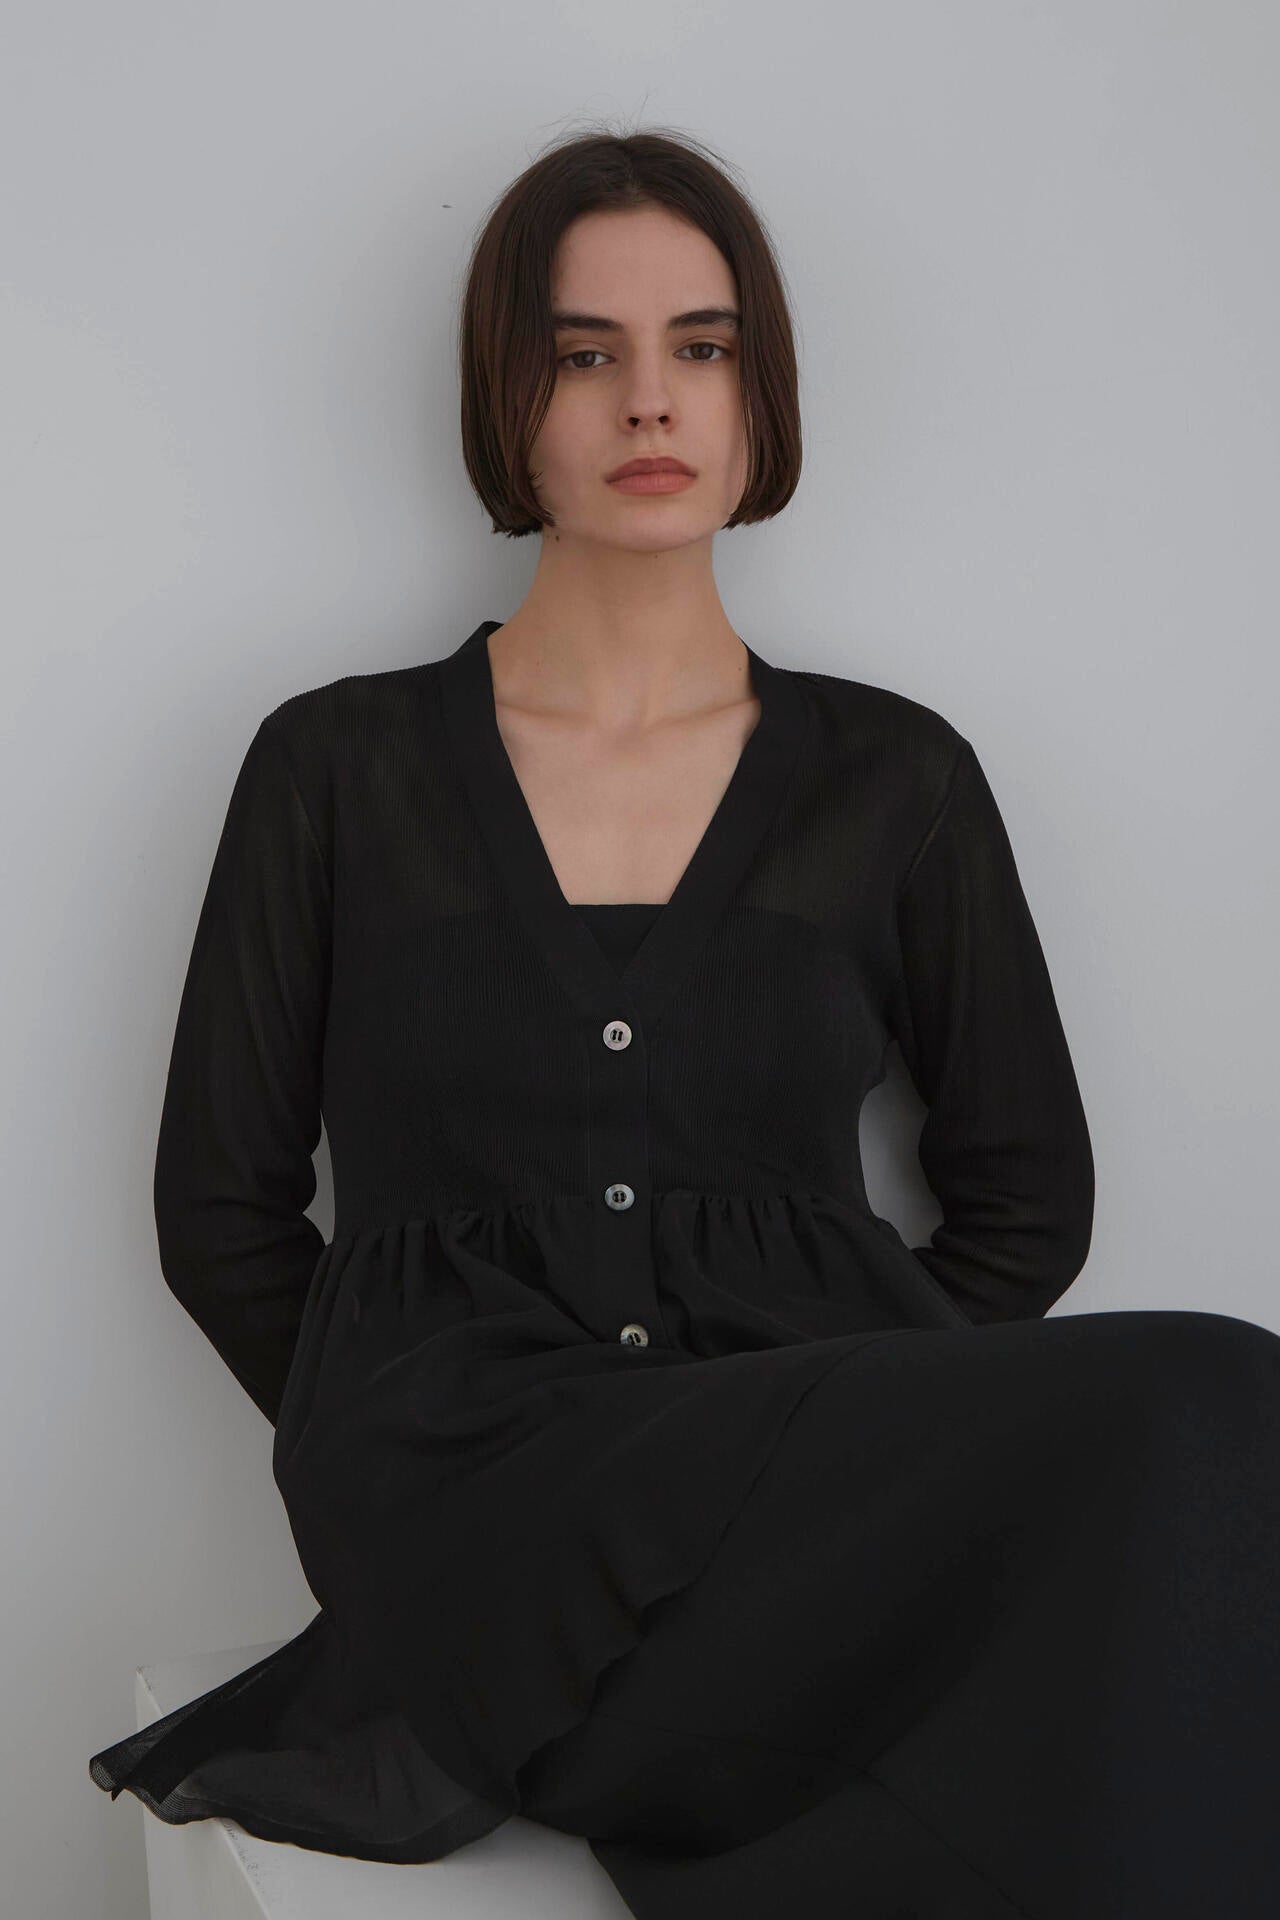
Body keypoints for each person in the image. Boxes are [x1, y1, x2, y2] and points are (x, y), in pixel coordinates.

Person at [89, 125, 1280, 1919]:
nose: (650, 399)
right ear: (508, 397)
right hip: (473, 1522)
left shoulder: (895, 782)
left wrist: (869, 1421)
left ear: (758, 388)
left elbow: (1029, 1198)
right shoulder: (336, 772)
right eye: (584, 353)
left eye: (701, 347)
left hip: (800, 1538)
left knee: (1220, 1402)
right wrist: (396, 1445)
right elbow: (220, 1213)